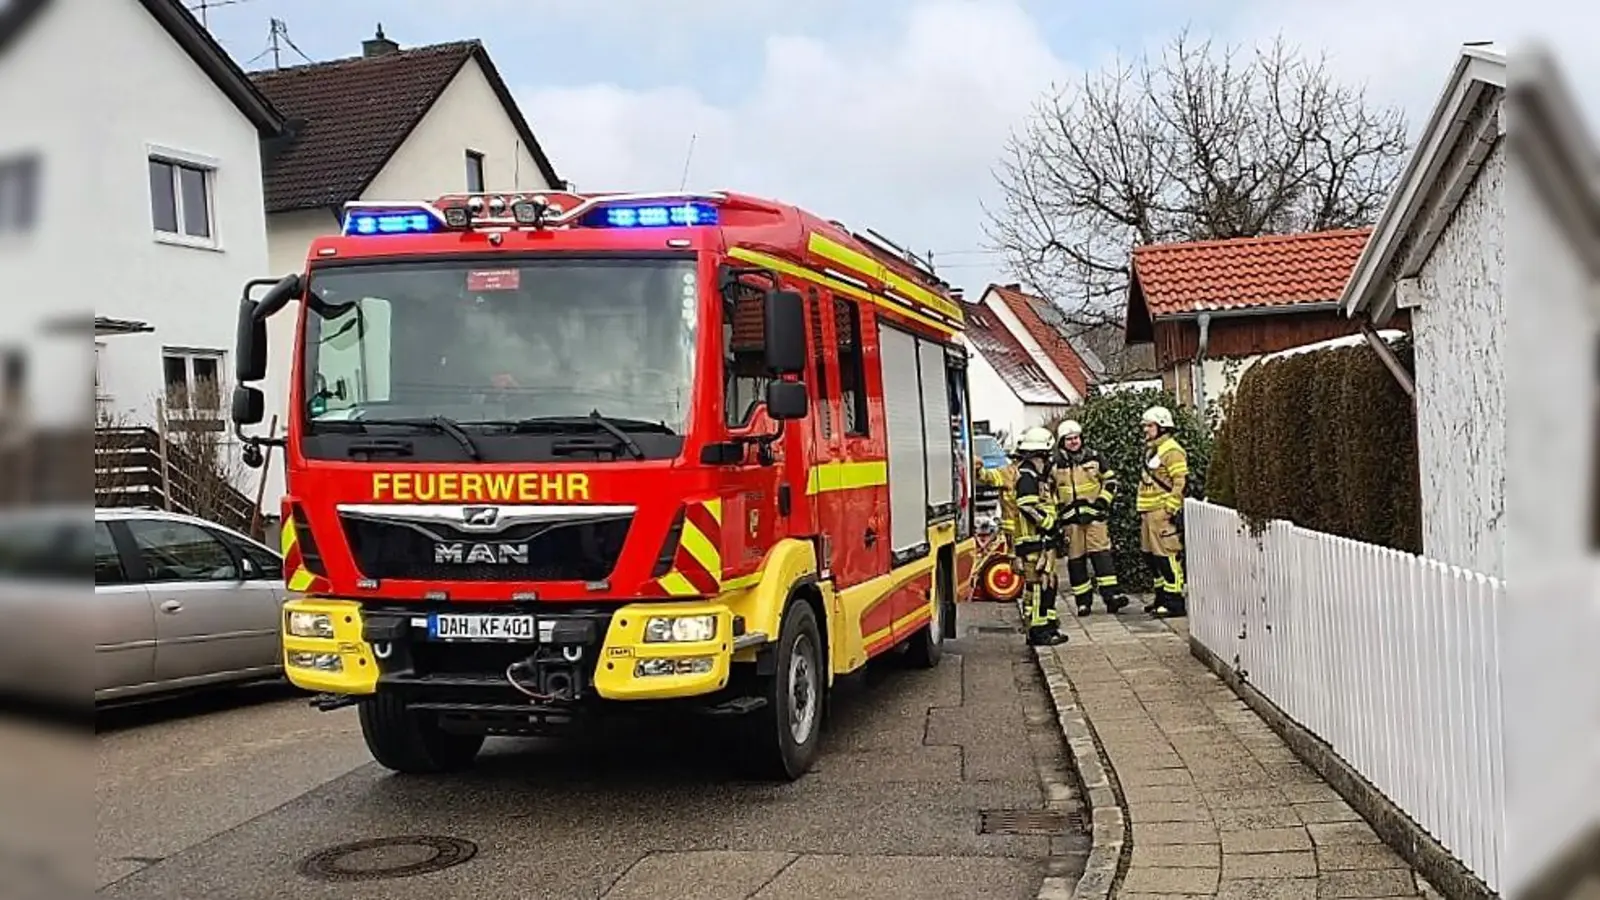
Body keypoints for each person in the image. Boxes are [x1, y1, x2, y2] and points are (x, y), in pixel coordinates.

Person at [1052, 419, 1129, 616]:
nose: (1074, 442)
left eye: (1076, 438)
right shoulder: (1055, 464)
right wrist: (1057, 511)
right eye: (1069, 439)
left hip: (1095, 517)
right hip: (1070, 521)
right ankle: (1083, 602)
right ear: (1061, 442)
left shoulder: (1095, 458)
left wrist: (1102, 502)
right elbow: (1049, 490)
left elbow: (1110, 481)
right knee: (1076, 562)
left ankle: (1112, 597)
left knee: (1102, 557)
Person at [1009, 427, 1068, 645]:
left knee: (1048, 584)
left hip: (1041, 542)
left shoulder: (1036, 475)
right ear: (1041, 454)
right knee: (1036, 587)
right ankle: (1038, 631)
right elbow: (1027, 506)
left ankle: (1049, 625)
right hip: (1032, 542)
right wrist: (1048, 523)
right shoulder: (1027, 476)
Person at [1135, 406, 1188, 617]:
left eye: (1149, 426)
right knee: (1151, 556)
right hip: (1149, 512)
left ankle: (1174, 602)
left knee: (1167, 556)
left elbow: (1180, 482)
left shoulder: (1172, 450)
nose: (1145, 430)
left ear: (1162, 426)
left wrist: (1170, 508)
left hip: (1162, 512)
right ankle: (1161, 597)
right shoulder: (1153, 450)